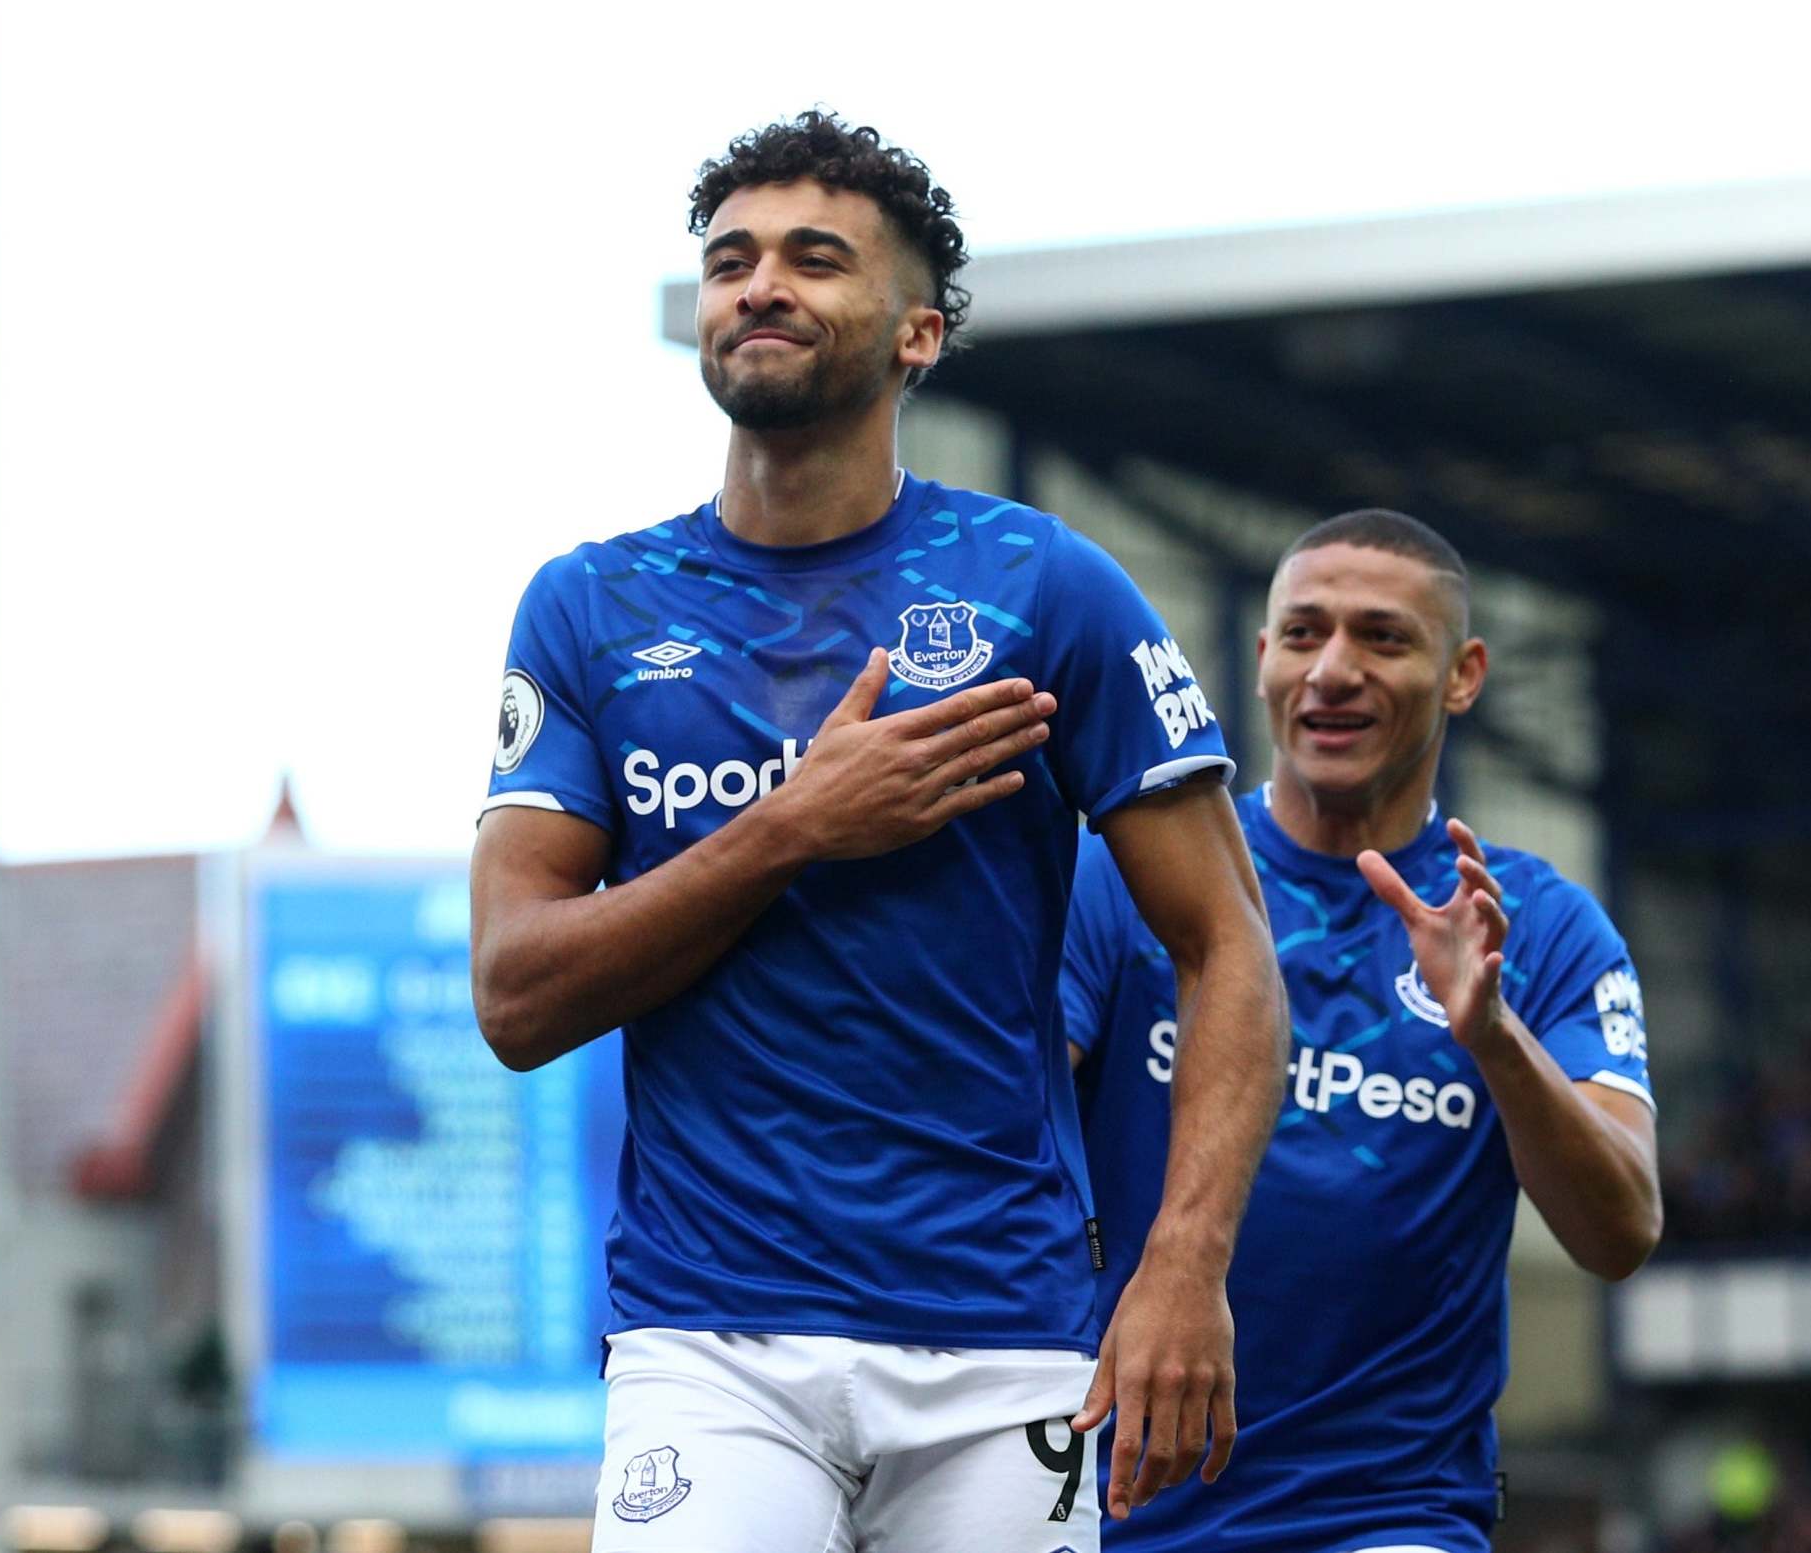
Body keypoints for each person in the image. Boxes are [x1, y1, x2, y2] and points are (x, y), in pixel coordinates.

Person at [468, 110, 1287, 1553]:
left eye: (812, 258)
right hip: (708, 1335)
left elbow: (1228, 942)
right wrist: (792, 827)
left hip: (999, 1334)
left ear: (916, 333)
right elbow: (516, 993)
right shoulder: (589, 605)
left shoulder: (1047, 586)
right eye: (729, 260)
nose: (759, 285)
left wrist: (1183, 1262)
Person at [1064, 511, 1662, 1553]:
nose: (1332, 669)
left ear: (1463, 673)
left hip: (1385, 1516)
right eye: (1302, 633)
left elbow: (1621, 1230)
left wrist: (1496, 1039)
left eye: (1382, 637)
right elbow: (985, 1124)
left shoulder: (1540, 925)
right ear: (1260, 661)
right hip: (1108, 1503)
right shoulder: (1128, 883)